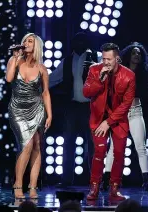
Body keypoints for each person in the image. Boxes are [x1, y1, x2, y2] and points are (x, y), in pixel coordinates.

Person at [103, 42, 148, 191]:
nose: (137, 55)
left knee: (141, 146)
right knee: (113, 148)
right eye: (134, 53)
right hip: (119, 113)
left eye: (139, 53)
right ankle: (106, 179)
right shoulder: (119, 70)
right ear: (129, 54)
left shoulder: (144, 72)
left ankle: (146, 180)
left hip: (136, 111)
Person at [83, 43, 135, 201]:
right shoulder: (94, 70)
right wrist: (100, 80)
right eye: (103, 58)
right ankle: (94, 187)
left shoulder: (129, 75)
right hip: (98, 118)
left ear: (117, 58)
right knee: (99, 152)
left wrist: (109, 121)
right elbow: (86, 92)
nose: (105, 62)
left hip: (118, 119)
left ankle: (114, 189)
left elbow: (126, 104)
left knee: (119, 154)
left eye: (109, 59)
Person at [6, 33, 52, 199]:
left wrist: (49, 115)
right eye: (24, 40)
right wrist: (15, 58)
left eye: (30, 41)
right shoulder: (15, 61)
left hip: (37, 108)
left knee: (37, 144)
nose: (25, 43)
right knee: (26, 144)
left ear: (37, 45)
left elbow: (46, 92)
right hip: (17, 109)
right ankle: (18, 184)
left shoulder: (42, 68)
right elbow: (9, 78)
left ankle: (33, 187)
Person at [49, 32, 99, 185]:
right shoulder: (67, 61)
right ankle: (66, 180)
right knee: (68, 143)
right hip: (72, 107)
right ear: (73, 43)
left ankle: (96, 180)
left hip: (91, 107)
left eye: (83, 40)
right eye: (77, 41)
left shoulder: (95, 58)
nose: (80, 43)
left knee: (93, 145)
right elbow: (52, 79)